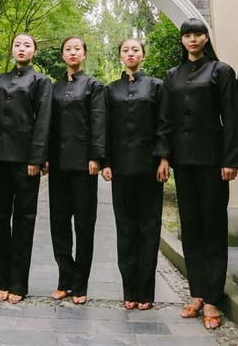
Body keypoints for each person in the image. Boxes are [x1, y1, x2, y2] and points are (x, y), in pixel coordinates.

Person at [155, 18, 238, 330]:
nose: (192, 40)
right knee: (190, 228)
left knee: (213, 227)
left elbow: (232, 118)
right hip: (183, 161)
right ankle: (196, 293)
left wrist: (231, 159)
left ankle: (213, 298)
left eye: (197, 34)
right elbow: (165, 120)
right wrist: (164, 157)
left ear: (206, 38)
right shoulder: (172, 76)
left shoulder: (220, 72)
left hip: (214, 161)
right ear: (182, 40)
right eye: (187, 35)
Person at [101, 38, 164, 311]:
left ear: (143, 55)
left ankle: (146, 293)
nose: (130, 53)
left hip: (150, 168)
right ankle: (129, 291)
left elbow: (164, 124)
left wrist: (164, 158)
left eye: (135, 50)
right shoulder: (110, 90)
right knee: (125, 229)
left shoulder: (157, 86)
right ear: (119, 56)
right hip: (121, 169)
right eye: (125, 50)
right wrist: (105, 161)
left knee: (149, 229)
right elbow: (104, 127)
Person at [0, 34, 52, 304]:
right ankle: (3, 281)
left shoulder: (41, 82)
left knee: (24, 222)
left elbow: (44, 121)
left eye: (27, 45)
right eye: (17, 44)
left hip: (26, 162)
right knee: (0, 219)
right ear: (12, 49)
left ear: (34, 52)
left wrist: (36, 159)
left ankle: (18, 285)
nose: (22, 49)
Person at [47, 36, 106, 305]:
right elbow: (48, 125)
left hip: (84, 166)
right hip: (58, 165)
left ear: (84, 54)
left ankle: (80, 284)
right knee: (59, 224)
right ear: (62, 56)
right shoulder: (54, 87)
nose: (73, 53)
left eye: (77, 49)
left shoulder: (94, 86)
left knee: (84, 225)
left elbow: (98, 121)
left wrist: (96, 156)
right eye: (68, 49)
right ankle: (64, 278)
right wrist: (45, 157)